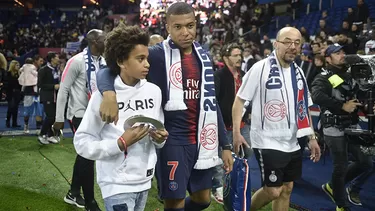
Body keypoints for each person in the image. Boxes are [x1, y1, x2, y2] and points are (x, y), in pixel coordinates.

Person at [96, 2, 233, 211]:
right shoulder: (157, 54)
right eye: (178, 27)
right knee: (175, 203)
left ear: (196, 25)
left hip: (203, 140)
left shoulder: (203, 56)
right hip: (172, 140)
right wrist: (108, 94)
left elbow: (210, 103)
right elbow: (108, 69)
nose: (185, 32)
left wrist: (225, 145)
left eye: (190, 25)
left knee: (203, 200)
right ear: (167, 27)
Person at [74, 24, 168, 211]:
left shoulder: (153, 91)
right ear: (121, 61)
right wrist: (119, 144)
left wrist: (160, 139)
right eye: (140, 59)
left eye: (146, 58)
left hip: (144, 180)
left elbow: (158, 134)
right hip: (115, 182)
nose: (147, 64)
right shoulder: (104, 96)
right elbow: (82, 142)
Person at [232, 27, 321, 211]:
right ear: (276, 44)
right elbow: (239, 101)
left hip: (293, 141)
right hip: (267, 140)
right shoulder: (260, 68)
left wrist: (312, 137)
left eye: (297, 43)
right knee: (273, 191)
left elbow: (303, 109)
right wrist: (236, 132)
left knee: (287, 189)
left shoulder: (299, 73)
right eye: (287, 41)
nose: (293, 46)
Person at [311, 44, 373, 211]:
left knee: (366, 162)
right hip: (333, 127)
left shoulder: (350, 72)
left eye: (343, 52)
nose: (342, 55)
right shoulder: (324, 75)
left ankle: (333, 186)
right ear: (328, 58)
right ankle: (341, 205)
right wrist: (341, 106)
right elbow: (316, 95)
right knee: (341, 166)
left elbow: (358, 95)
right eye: (337, 53)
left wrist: (366, 106)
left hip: (351, 124)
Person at [53, 29, 106, 210]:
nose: (106, 41)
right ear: (93, 42)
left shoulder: (104, 62)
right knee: (88, 155)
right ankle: (90, 201)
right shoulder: (75, 61)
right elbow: (63, 89)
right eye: (103, 39)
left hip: (97, 115)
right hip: (79, 115)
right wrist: (59, 118)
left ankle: (73, 192)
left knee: (84, 155)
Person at [211, 43, 252, 204]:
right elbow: (214, 101)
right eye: (235, 55)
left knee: (247, 152)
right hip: (224, 124)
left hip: (242, 123)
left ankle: (234, 180)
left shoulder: (244, 75)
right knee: (222, 157)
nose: (239, 58)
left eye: (240, 55)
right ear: (226, 57)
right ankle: (218, 186)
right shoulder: (219, 75)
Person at [37, 52, 60, 144]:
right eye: (57, 57)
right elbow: (40, 85)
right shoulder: (44, 70)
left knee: (53, 116)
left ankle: (50, 136)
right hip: (47, 96)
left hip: (55, 96)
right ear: (52, 59)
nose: (58, 59)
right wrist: (53, 86)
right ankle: (42, 134)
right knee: (50, 116)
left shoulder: (56, 69)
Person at [18, 58, 38, 134]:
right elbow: (37, 75)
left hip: (28, 92)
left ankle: (27, 127)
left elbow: (20, 71)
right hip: (32, 92)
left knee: (28, 111)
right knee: (33, 111)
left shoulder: (23, 69)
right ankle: (31, 127)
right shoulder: (33, 68)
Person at [4, 60, 21, 128]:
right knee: (11, 107)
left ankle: (14, 122)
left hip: (17, 92)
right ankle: (8, 121)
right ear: (13, 66)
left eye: (18, 65)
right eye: (17, 65)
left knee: (16, 108)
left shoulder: (19, 74)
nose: (18, 67)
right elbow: (8, 83)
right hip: (10, 92)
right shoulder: (8, 73)